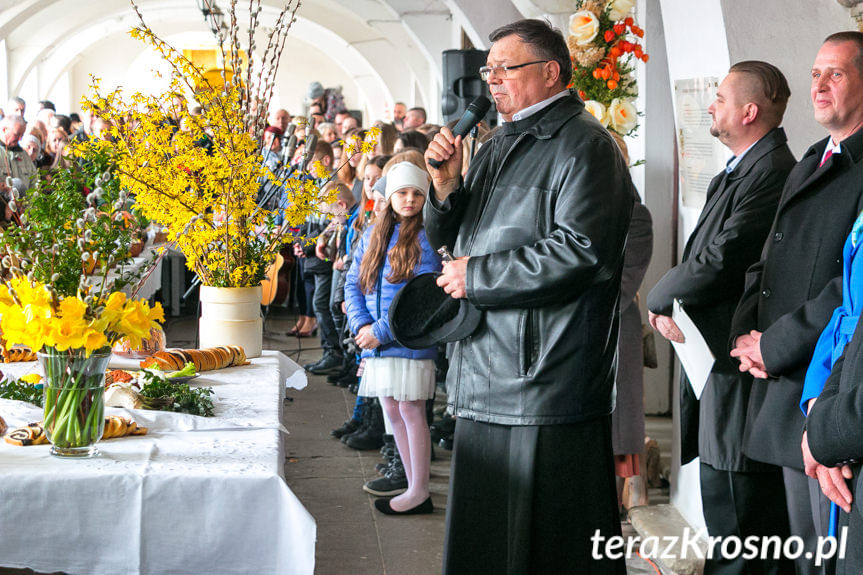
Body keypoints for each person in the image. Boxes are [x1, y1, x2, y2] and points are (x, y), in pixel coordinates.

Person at [424, 18, 632, 573]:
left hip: (543, 379)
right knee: (487, 541)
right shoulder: (497, 142)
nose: (491, 82)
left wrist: (479, 277)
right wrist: (444, 187)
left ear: (550, 72)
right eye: (487, 71)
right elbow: (452, 238)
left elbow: (581, 252)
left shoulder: (586, 146)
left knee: (546, 548)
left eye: (504, 70)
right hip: (486, 366)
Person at [649, 60, 796, 574]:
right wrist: (672, 301)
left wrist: (658, 296)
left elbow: (724, 257)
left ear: (749, 111)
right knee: (723, 503)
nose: (711, 106)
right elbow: (703, 256)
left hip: (737, 362)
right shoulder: (739, 168)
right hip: (711, 357)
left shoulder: (772, 172)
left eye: (721, 98)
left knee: (739, 512)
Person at [730, 32, 863, 574]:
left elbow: (847, 287)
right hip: (785, 379)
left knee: (823, 552)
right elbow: (768, 259)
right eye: (815, 73)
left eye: (836, 73)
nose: (820, 84)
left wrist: (778, 343)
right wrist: (747, 336)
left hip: (829, 379)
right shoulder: (813, 158)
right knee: (797, 546)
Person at [344, 161, 442, 515]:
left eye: (417, 193)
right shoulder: (373, 233)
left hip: (407, 339)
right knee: (390, 408)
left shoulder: (427, 235)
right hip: (376, 340)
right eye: (402, 192)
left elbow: (423, 298)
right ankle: (411, 484)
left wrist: (379, 332)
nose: (410, 200)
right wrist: (361, 326)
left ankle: (419, 489)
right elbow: (353, 282)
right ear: (390, 195)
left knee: (412, 409)